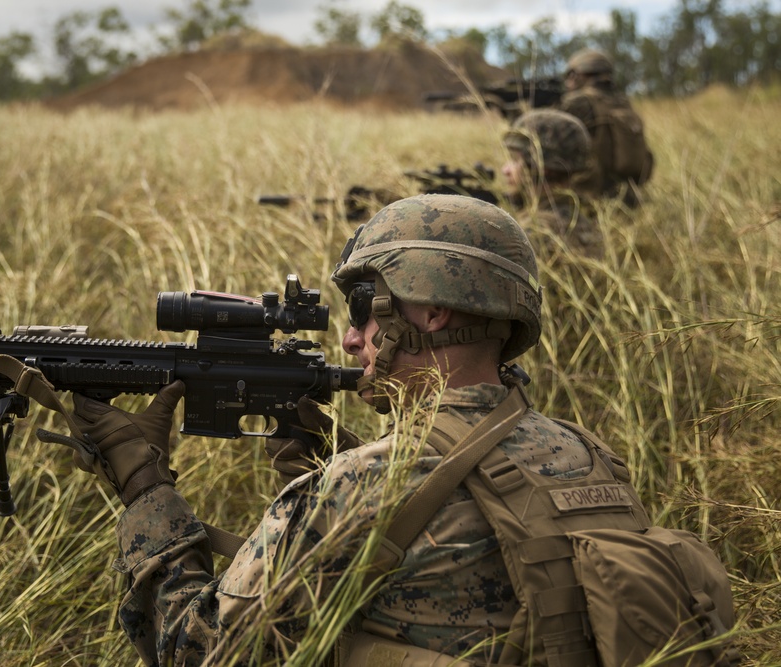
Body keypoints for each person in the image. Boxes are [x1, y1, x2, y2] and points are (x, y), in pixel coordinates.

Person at [37, 195, 731, 666]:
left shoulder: (360, 487)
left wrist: (142, 478)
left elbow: (198, 649)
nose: (349, 335)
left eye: (365, 305)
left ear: (429, 310)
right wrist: (312, 477)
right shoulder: (588, 454)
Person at [502, 108, 604, 259]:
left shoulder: (532, 233)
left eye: (515, 160)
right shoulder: (584, 217)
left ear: (544, 168)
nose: (505, 169)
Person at [559, 47, 654, 207]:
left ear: (579, 74)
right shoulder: (622, 101)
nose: (568, 82)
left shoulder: (578, 102)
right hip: (627, 198)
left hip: (589, 200)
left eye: (570, 75)